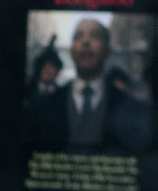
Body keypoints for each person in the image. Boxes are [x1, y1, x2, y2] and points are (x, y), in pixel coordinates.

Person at [25, 15, 153, 153]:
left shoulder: (135, 110)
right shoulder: (42, 107)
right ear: (71, 50)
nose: (85, 41)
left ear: (107, 51)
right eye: (78, 36)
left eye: (95, 36)